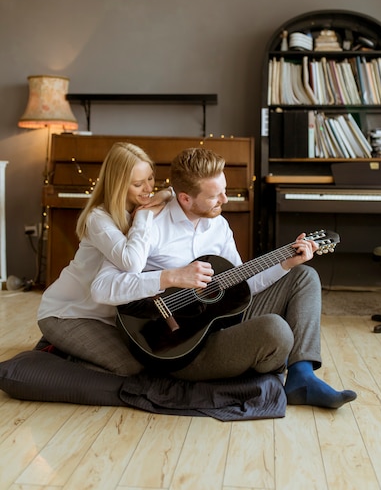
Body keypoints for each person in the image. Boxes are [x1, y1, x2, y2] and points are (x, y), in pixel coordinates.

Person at [92, 147, 357, 409]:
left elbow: (241, 286)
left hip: (220, 318)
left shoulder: (218, 226)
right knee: (276, 331)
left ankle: (302, 377)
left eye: (224, 190)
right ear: (185, 199)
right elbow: (104, 287)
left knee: (304, 275)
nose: (225, 200)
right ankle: (258, 360)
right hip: (180, 346)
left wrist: (286, 263)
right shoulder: (149, 224)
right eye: (215, 196)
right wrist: (171, 277)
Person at [37, 142, 173, 375]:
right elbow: (132, 264)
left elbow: (175, 194)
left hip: (108, 317)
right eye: (138, 184)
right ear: (118, 185)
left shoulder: (142, 203)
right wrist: (143, 217)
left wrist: (166, 193)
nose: (148, 188)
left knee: (153, 359)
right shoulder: (99, 218)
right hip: (68, 313)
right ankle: (56, 351)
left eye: (151, 178)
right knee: (128, 368)